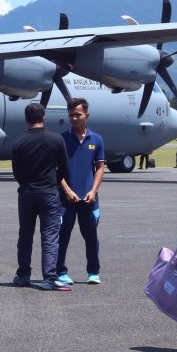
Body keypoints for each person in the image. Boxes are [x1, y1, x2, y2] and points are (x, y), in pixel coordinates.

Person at [10, 102, 71, 290]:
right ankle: (49, 277)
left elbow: (16, 172)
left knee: (25, 234)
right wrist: (54, 181)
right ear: (43, 117)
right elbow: (64, 169)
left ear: (26, 119)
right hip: (48, 193)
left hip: (27, 193)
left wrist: (26, 184)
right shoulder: (56, 140)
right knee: (50, 235)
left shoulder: (19, 143)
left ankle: (23, 274)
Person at [56, 97, 106, 285]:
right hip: (65, 199)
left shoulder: (97, 140)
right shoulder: (61, 139)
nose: (74, 118)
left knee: (91, 236)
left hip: (88, 199)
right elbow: (55, 170)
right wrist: (67, 191)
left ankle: (93, 271)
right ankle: (60, 271)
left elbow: (100, 167)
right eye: (71, 115)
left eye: (78, 114)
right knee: (62, 236)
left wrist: (93, 191)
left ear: (87, 115)